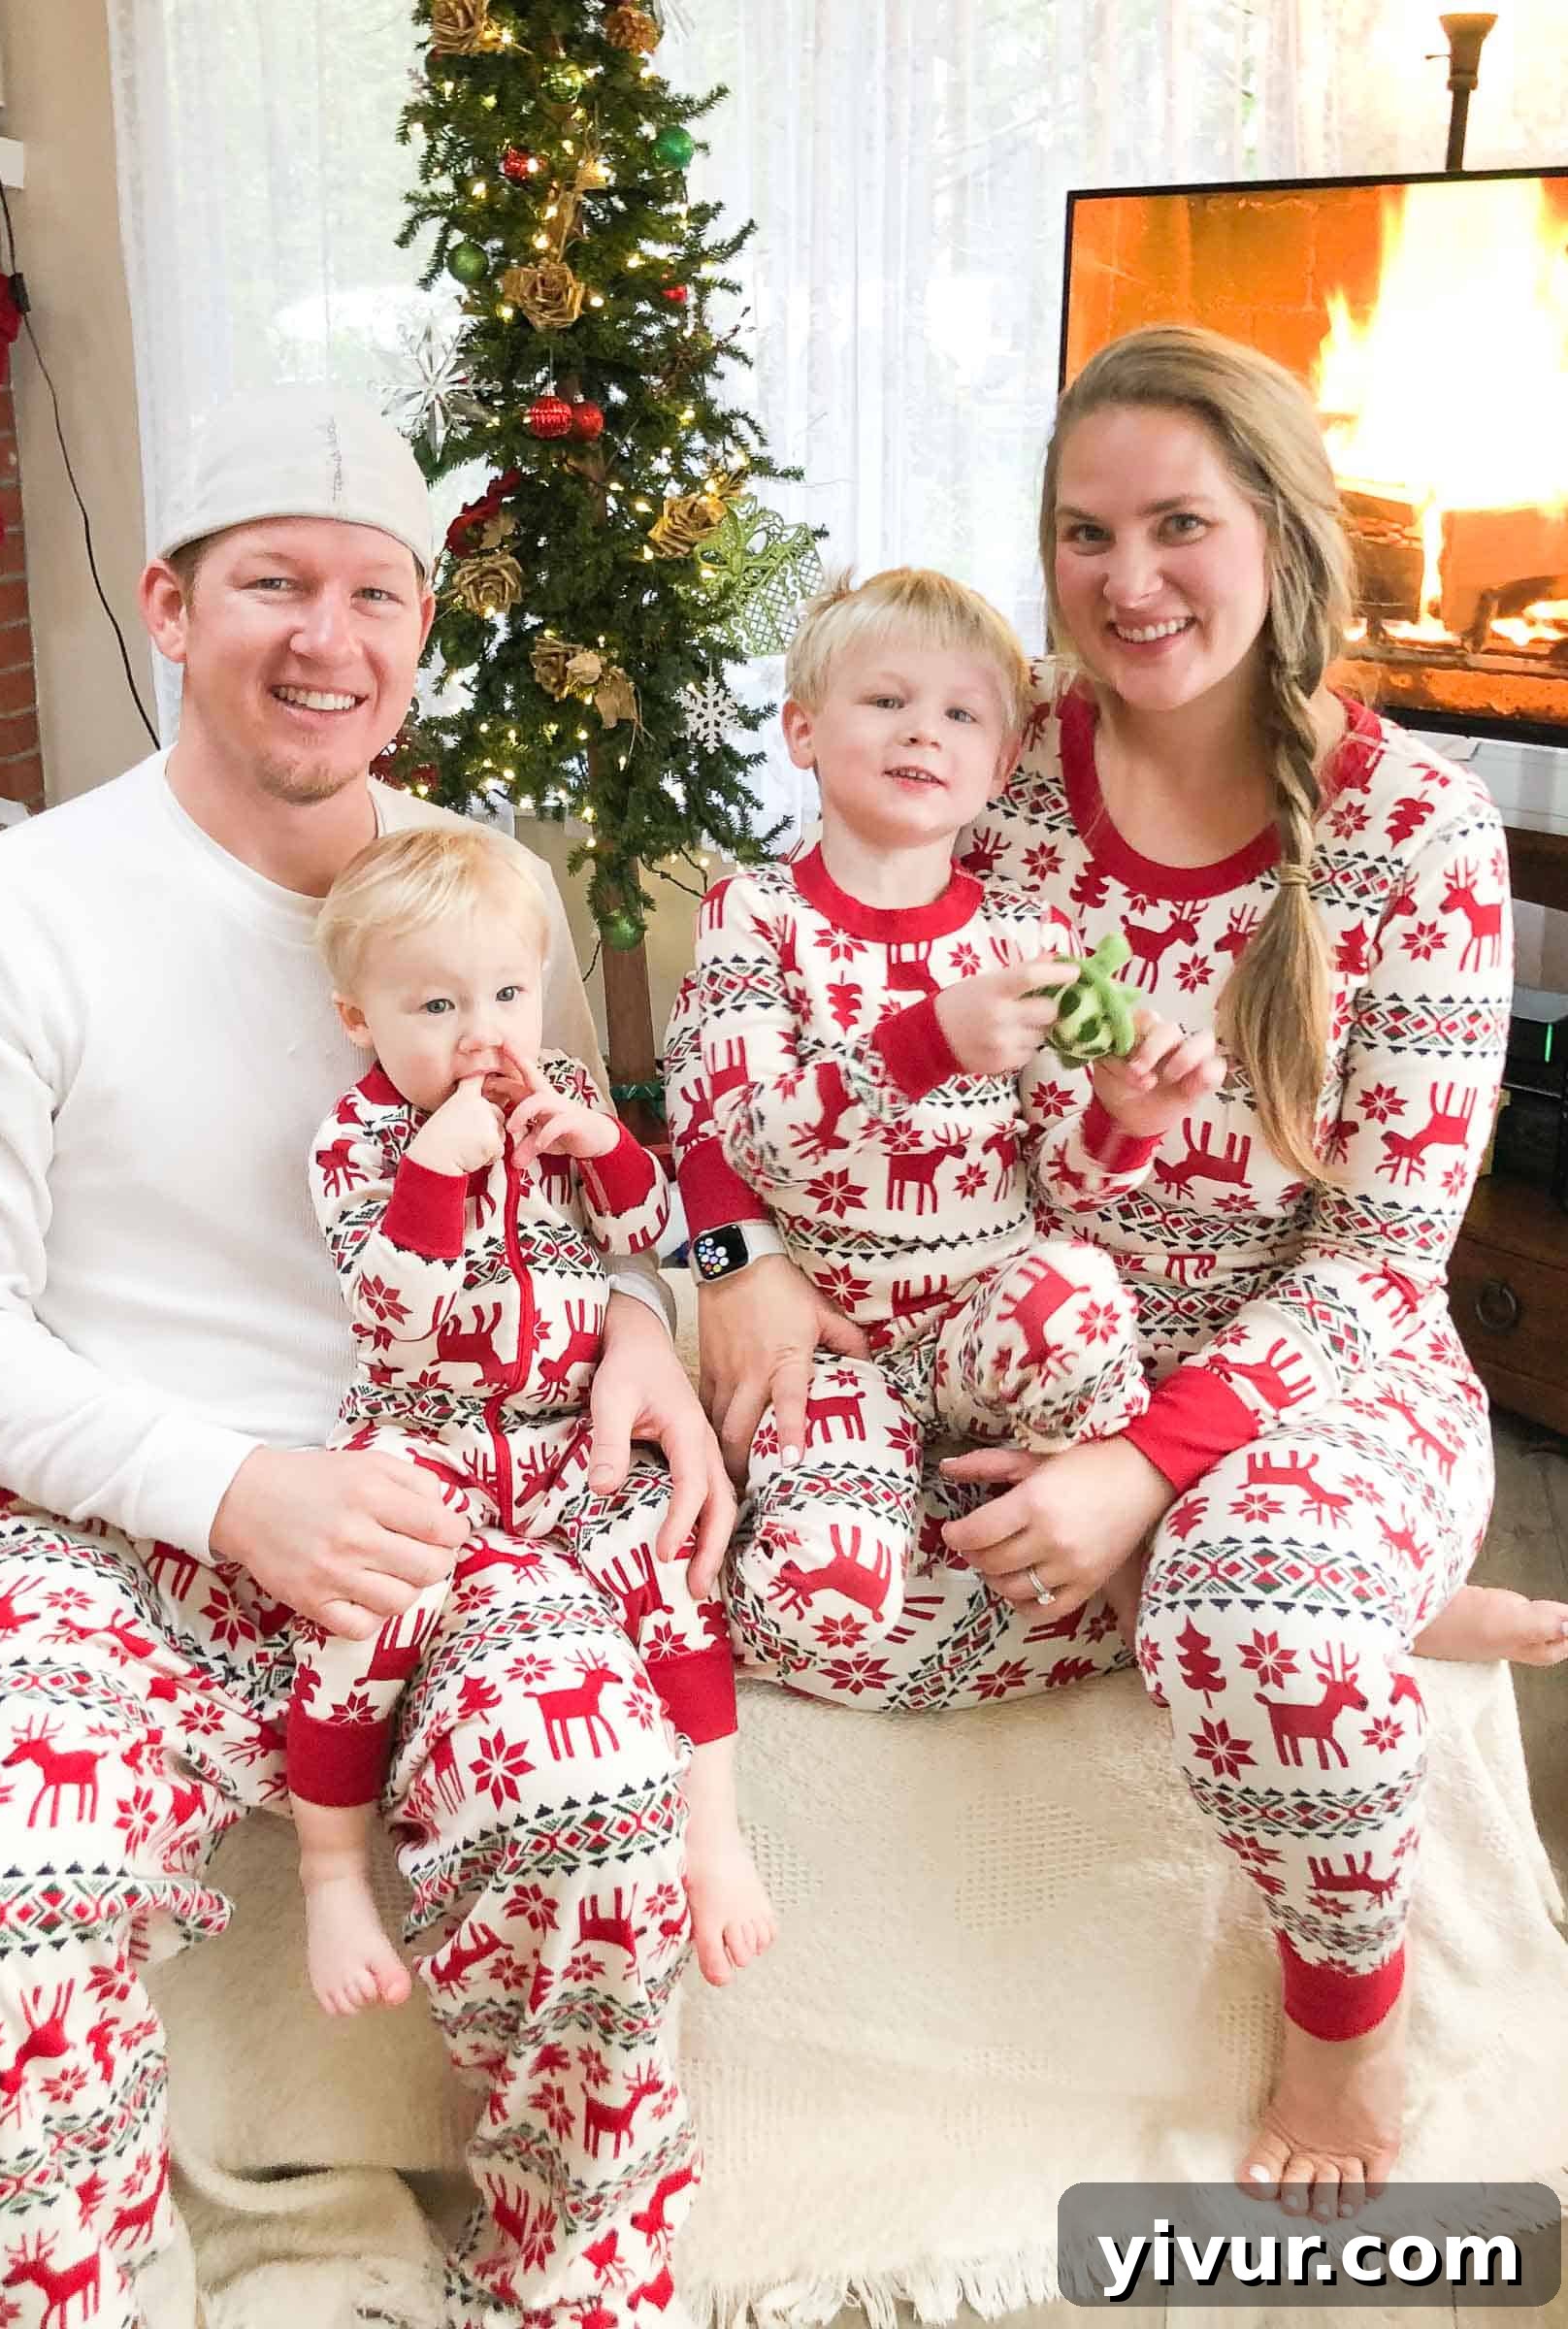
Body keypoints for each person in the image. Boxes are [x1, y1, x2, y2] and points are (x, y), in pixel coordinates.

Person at [0, 387, 733, 2329]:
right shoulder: (7, 918)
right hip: (105, 1520)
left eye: (373, 595)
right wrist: (232, 1488)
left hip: (456, 1513)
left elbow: (575, 1179)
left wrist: (650, 1328)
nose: (324, 641)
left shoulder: (472, 895)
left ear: (421, 633)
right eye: (269, 586)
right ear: (168, 608)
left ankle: (571, 2285)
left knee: (596, 1825)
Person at [671, 327, 1567, 2219]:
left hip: (1313, 1370)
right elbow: (762, 1047)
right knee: (786, 1598)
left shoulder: (1420, 839)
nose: (1127, 580)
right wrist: (733, 1258)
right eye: (1085, 534)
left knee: (1252, 1620)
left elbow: (1383, 1264)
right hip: (989, 1336)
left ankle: (1346, 2012)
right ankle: (1335, 1604)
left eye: (1179, 524)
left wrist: (1143, 1473)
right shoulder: (983, 766)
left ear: (1281, 534)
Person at [673, 567, 1224, 1687]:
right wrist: (922, 1044)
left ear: (1000, 761)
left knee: (1075, 1287)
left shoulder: (1027, 936)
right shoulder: (754, 914)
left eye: (962, 713)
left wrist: (1124, 1121)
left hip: (981, 1333)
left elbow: (1069, 1197)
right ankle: (975, 1591)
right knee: (803, 1614)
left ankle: (1128, 1581)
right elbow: (734, 1143)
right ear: (803, 729)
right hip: (831, 1350)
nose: (925, 731)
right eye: (887, 701)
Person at [292, 824, 774, 2009]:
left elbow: (646, 1236)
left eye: (509, 993)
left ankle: (711, 1834)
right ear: (363, 1020)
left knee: (666, 1562)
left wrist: (603, 1144)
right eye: (439, 1006)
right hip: (425, 1439)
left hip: (565, 1435)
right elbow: (393, 1321)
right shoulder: (358, 1142)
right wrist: (435, 1175)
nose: (484, 1034)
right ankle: (328, 1873)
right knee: (361, 1608)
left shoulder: (542, 1098)